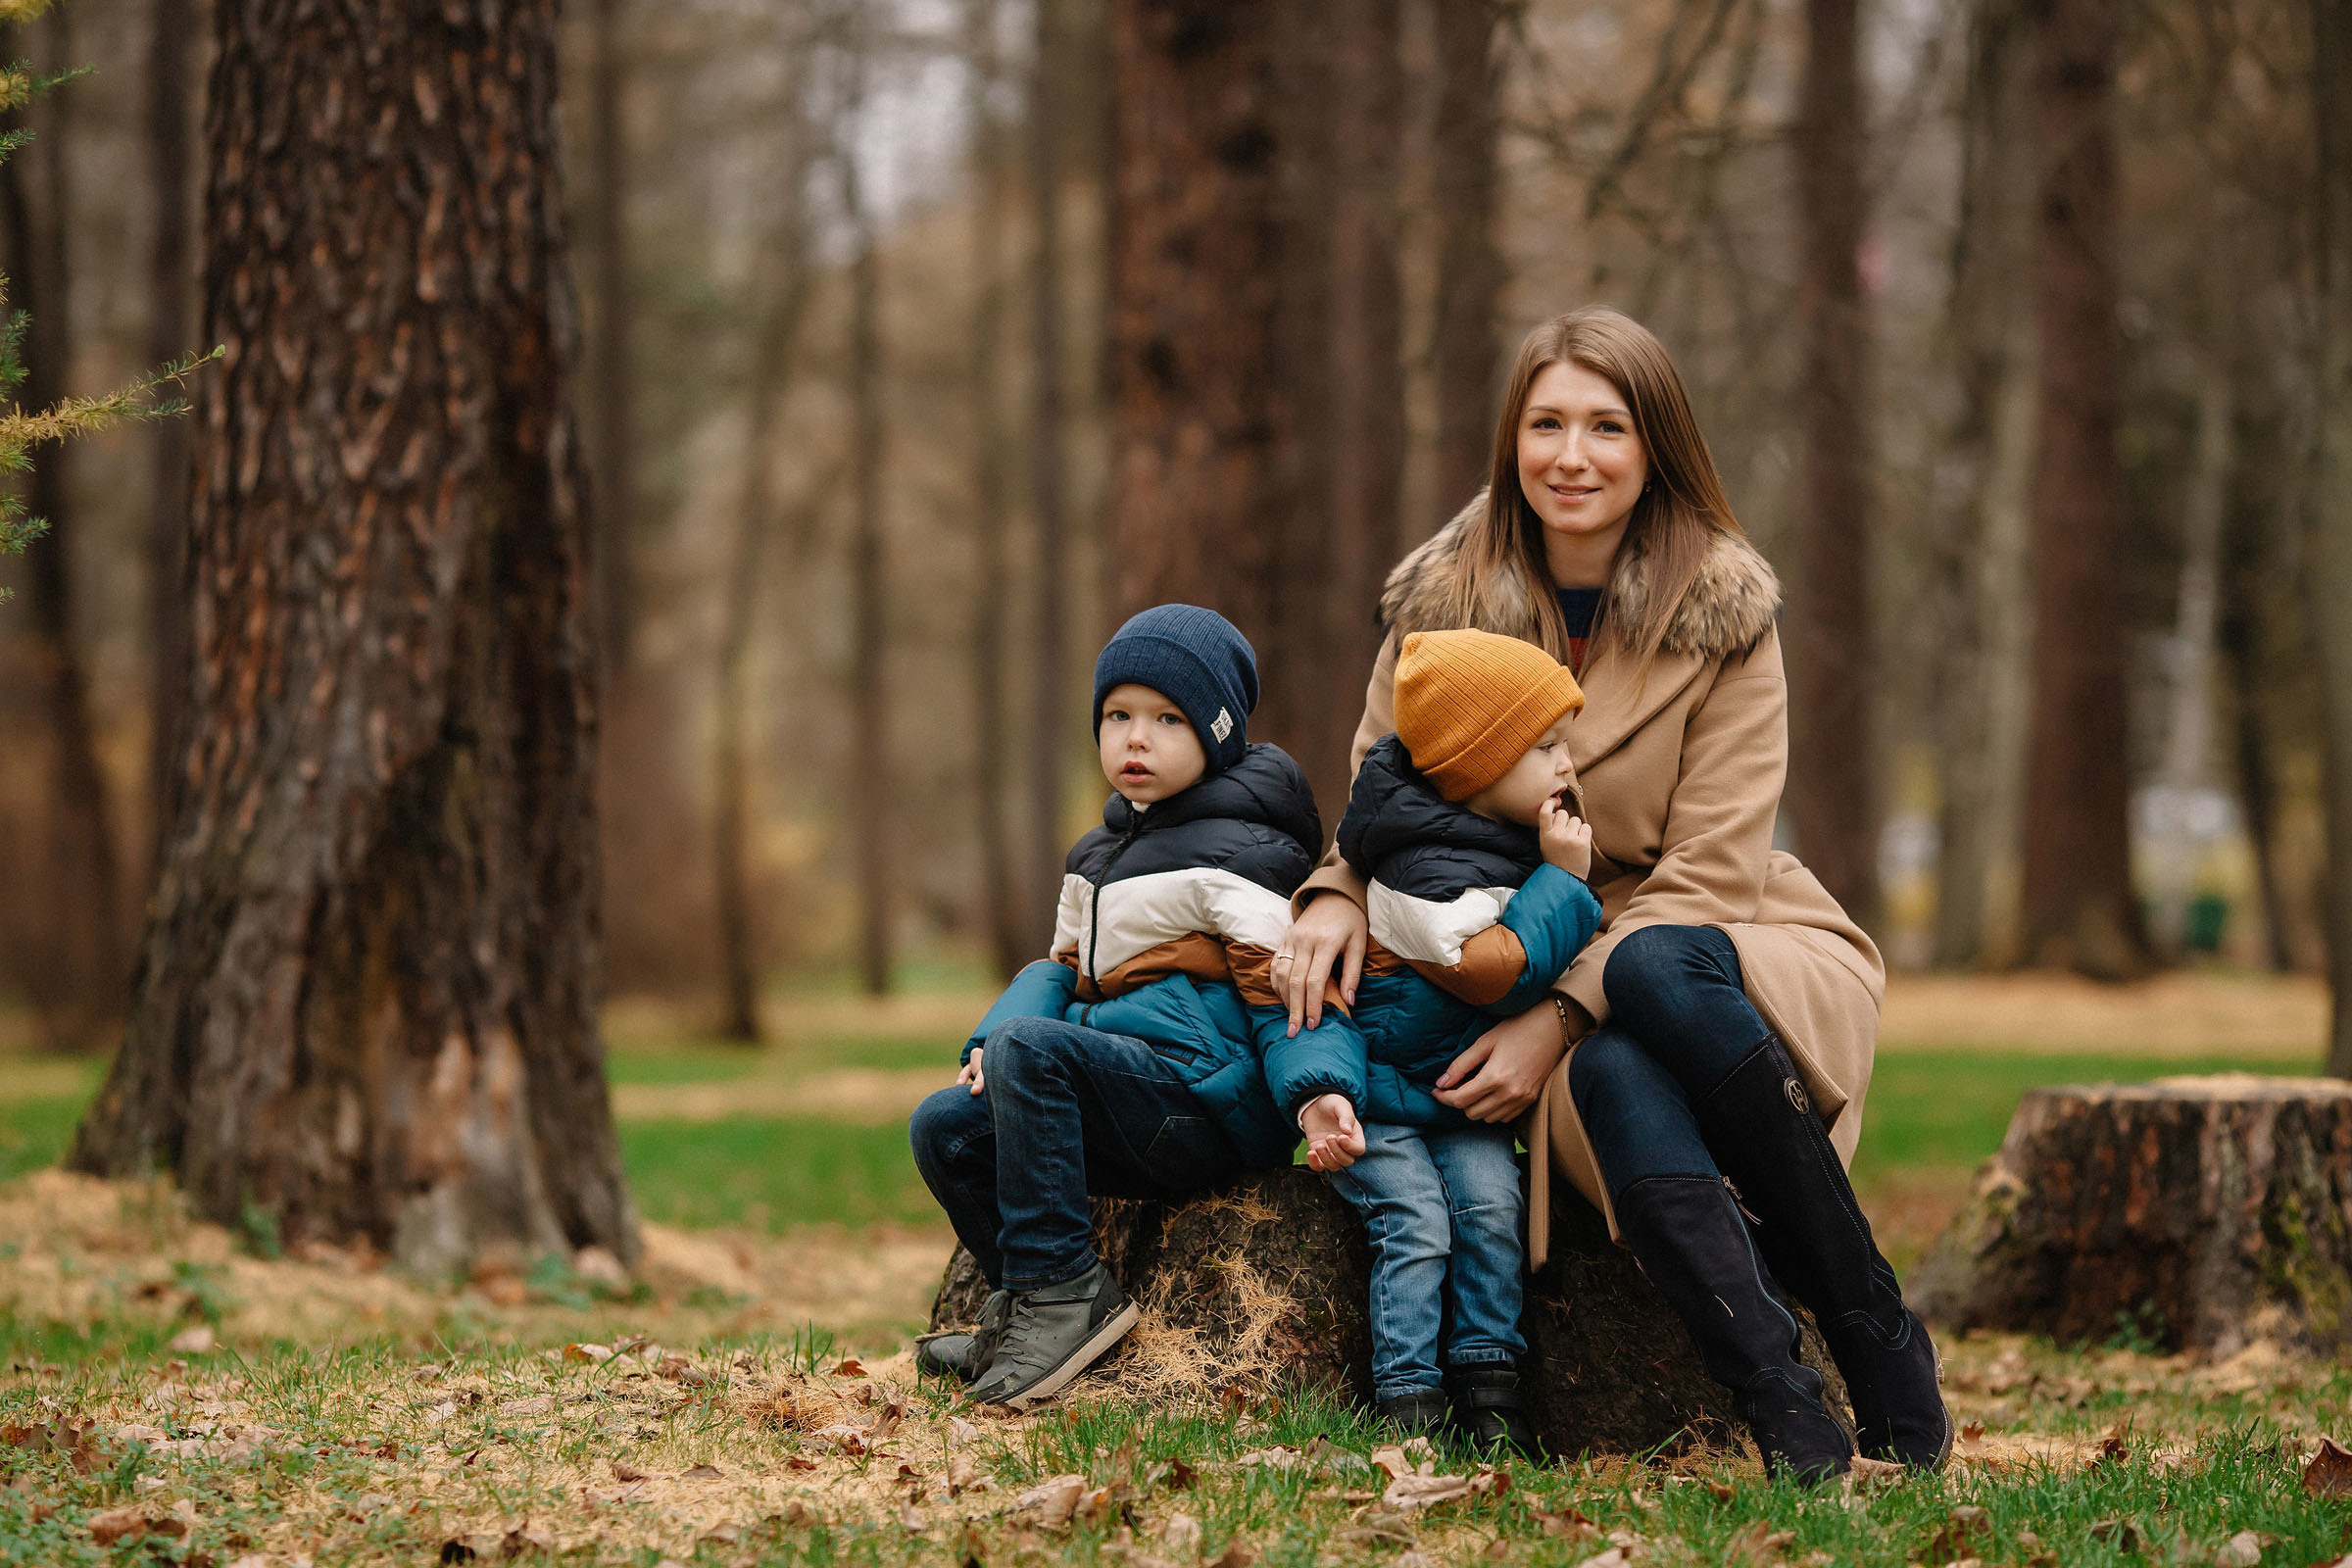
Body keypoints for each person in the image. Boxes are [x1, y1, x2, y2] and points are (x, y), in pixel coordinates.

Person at [1272, 307, 1949, 1482]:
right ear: (1510, 443)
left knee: (1642, 973)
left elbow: (1713, 865)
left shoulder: (1726, 615)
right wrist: (1333, 889)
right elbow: (1379, 800)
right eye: (1545, 424)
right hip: (1529, 945)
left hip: (1723, 937)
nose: (1570, 456)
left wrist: (1558, 1012)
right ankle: (1784, 1400)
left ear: (1656, 446)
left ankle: (1868, 1320)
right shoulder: (1441, 606)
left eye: (1605, 426)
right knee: (1622, 1072)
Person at [907, 604, 1333, 1409]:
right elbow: (1064, 967)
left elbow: (1285, 994)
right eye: (1118, 716)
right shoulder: (1097, 857)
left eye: (1167, 718)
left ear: (1216, 734)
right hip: (1120, 1091)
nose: (1136, 738)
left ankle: (1070, 1297)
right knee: (945, 1127)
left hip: (1200, 1103)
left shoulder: (1245, 854)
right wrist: (990, 1039)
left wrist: (1316, 1095)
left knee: (1032, 1049)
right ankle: (1032, 1297)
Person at [1279, 628, 1601, 1454]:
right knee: (1417, 1220)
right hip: (1384, 1096)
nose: (1569, 765)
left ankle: (1490, 1387)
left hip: (1455, 1101)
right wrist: (1564, 882)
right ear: (1478, 767)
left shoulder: (1491, 837)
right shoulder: (1416, 869)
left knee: (1491, 1208)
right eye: (1546, 748)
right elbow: (1491, 970)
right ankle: (1410, 1397)